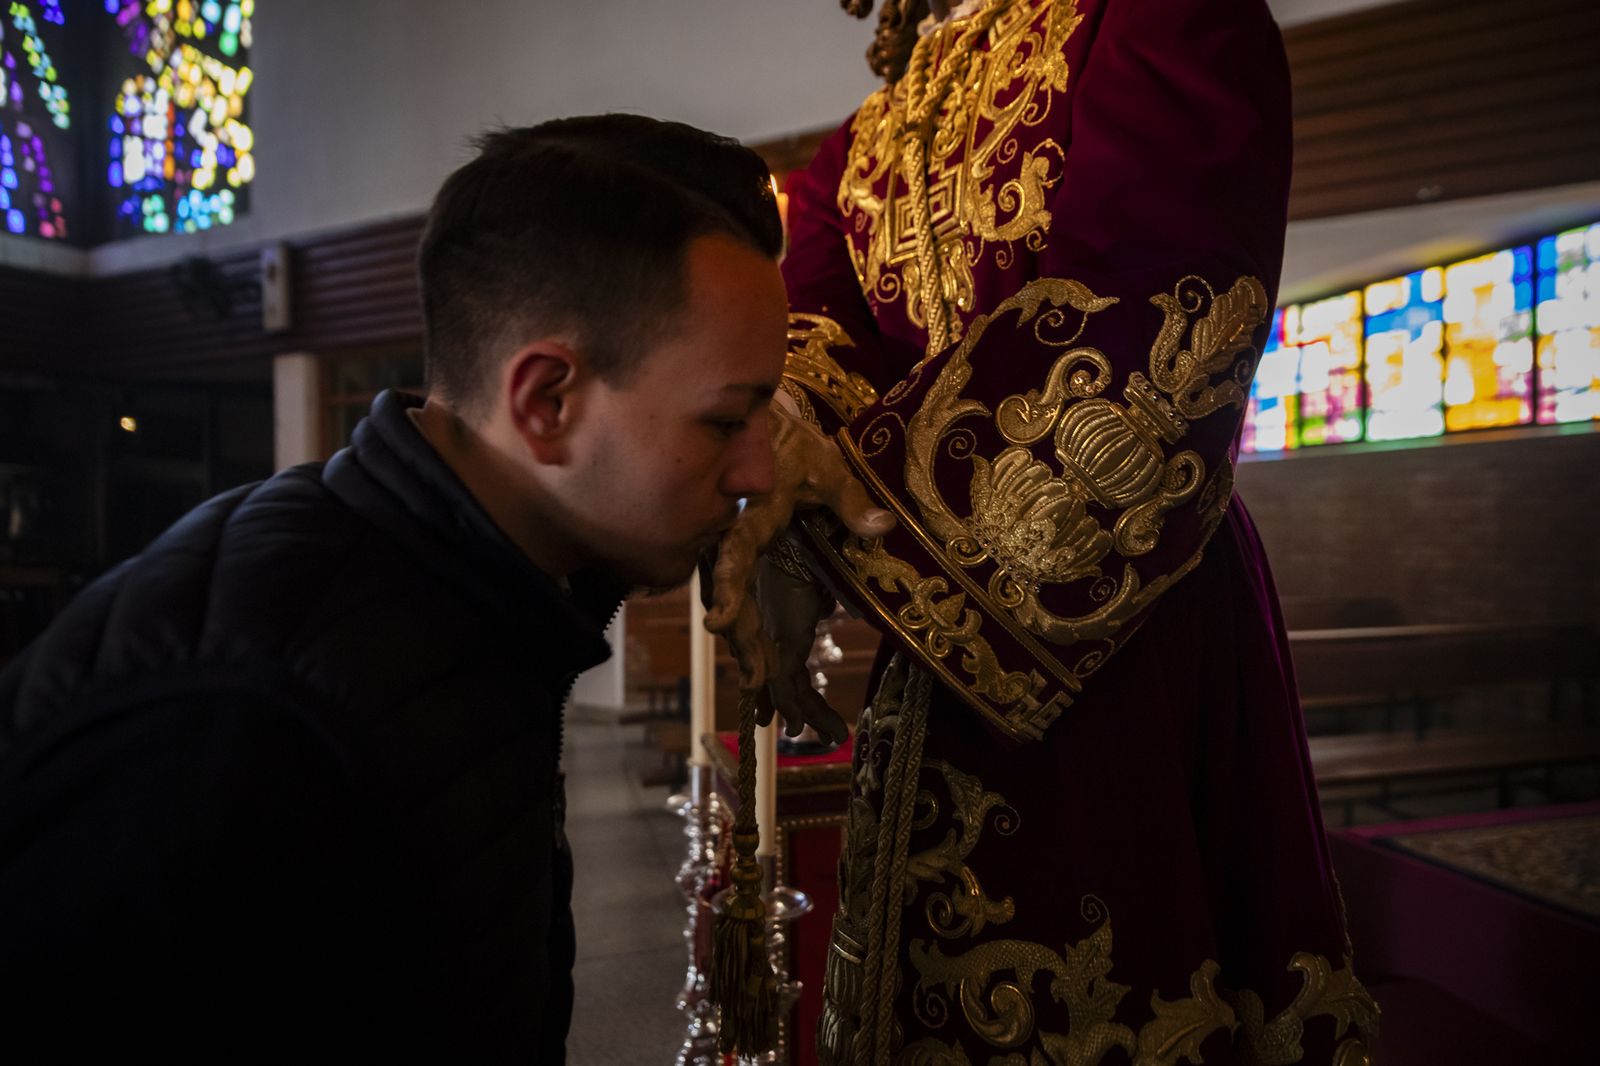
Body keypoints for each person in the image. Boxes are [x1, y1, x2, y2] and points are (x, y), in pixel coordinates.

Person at [0, 114, 884, 1063]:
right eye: (727, 419)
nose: (759, 470)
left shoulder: (480, 603)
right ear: (546, 402)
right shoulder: (240, 712)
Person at [708, 1, 1382, 1063]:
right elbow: (807, 343)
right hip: (927, 636)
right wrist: (781, 502)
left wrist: (845, 493)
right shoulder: (862, 146)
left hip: (1139, 609)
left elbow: (1157, 294)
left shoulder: (1157, 19)